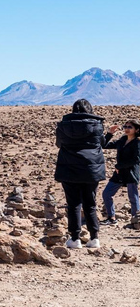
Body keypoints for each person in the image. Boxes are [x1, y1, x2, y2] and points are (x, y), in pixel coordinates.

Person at [55, 98, 111, 249]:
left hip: (69, 168)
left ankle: (75, 239)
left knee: (73, 204)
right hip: (91, 169)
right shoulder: (97, 125)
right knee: (90, 203)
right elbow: (101, 143)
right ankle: (94, 238)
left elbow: (59, 144)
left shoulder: (63, 125)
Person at [101, 120, 140, 225]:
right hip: (119, 173)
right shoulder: (122, 140)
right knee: (107, 194)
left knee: (133, 197)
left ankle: (136, 221)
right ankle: (111, 218)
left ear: (136, 130)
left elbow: (136, 160)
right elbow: (104, 145)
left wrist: (119, 166)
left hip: (131, 173)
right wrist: (110, 133)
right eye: (125, 126)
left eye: (130, 127)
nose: (126, 128)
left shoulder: (137, 142)